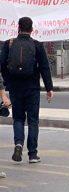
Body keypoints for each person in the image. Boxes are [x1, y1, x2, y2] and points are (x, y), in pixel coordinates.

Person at [0, 17, 53, 163]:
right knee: (33, 120)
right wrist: (49, 88)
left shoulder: (9, 44)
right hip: (32, 87)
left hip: (15, 87)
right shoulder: (37, 45)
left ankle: (18, 143)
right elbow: (44, 67)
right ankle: (32, 154)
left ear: (18, 28)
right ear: (32, 29)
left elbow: (2, 65)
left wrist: (7, 81)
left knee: (18, 118)